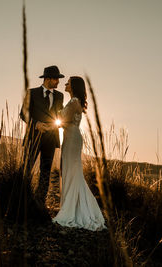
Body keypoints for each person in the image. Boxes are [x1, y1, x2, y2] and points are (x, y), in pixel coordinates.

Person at [52, 76, 106, 231]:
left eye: (68, 82)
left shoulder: (74, 101)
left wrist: (56, 112)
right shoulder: (75, 101)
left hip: (72, 139)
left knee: (72, 171)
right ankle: (71, 205)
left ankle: (72, 209)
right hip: (70, 137)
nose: (66, 84)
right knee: (70, 171)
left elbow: (62, 117)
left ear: (74, 86)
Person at [20, 65, 64, 211]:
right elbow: (23, 114)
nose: (58, 82)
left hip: (50, 139)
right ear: (47, 79)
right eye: (56, 79)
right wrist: (35, 123)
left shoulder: (59, 96)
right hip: (33, 137)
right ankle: (21, 198)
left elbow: (60, 115)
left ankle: (40, 203)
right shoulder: (31, 93)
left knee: (46, 171)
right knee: (27, 168)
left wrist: (55, 125)